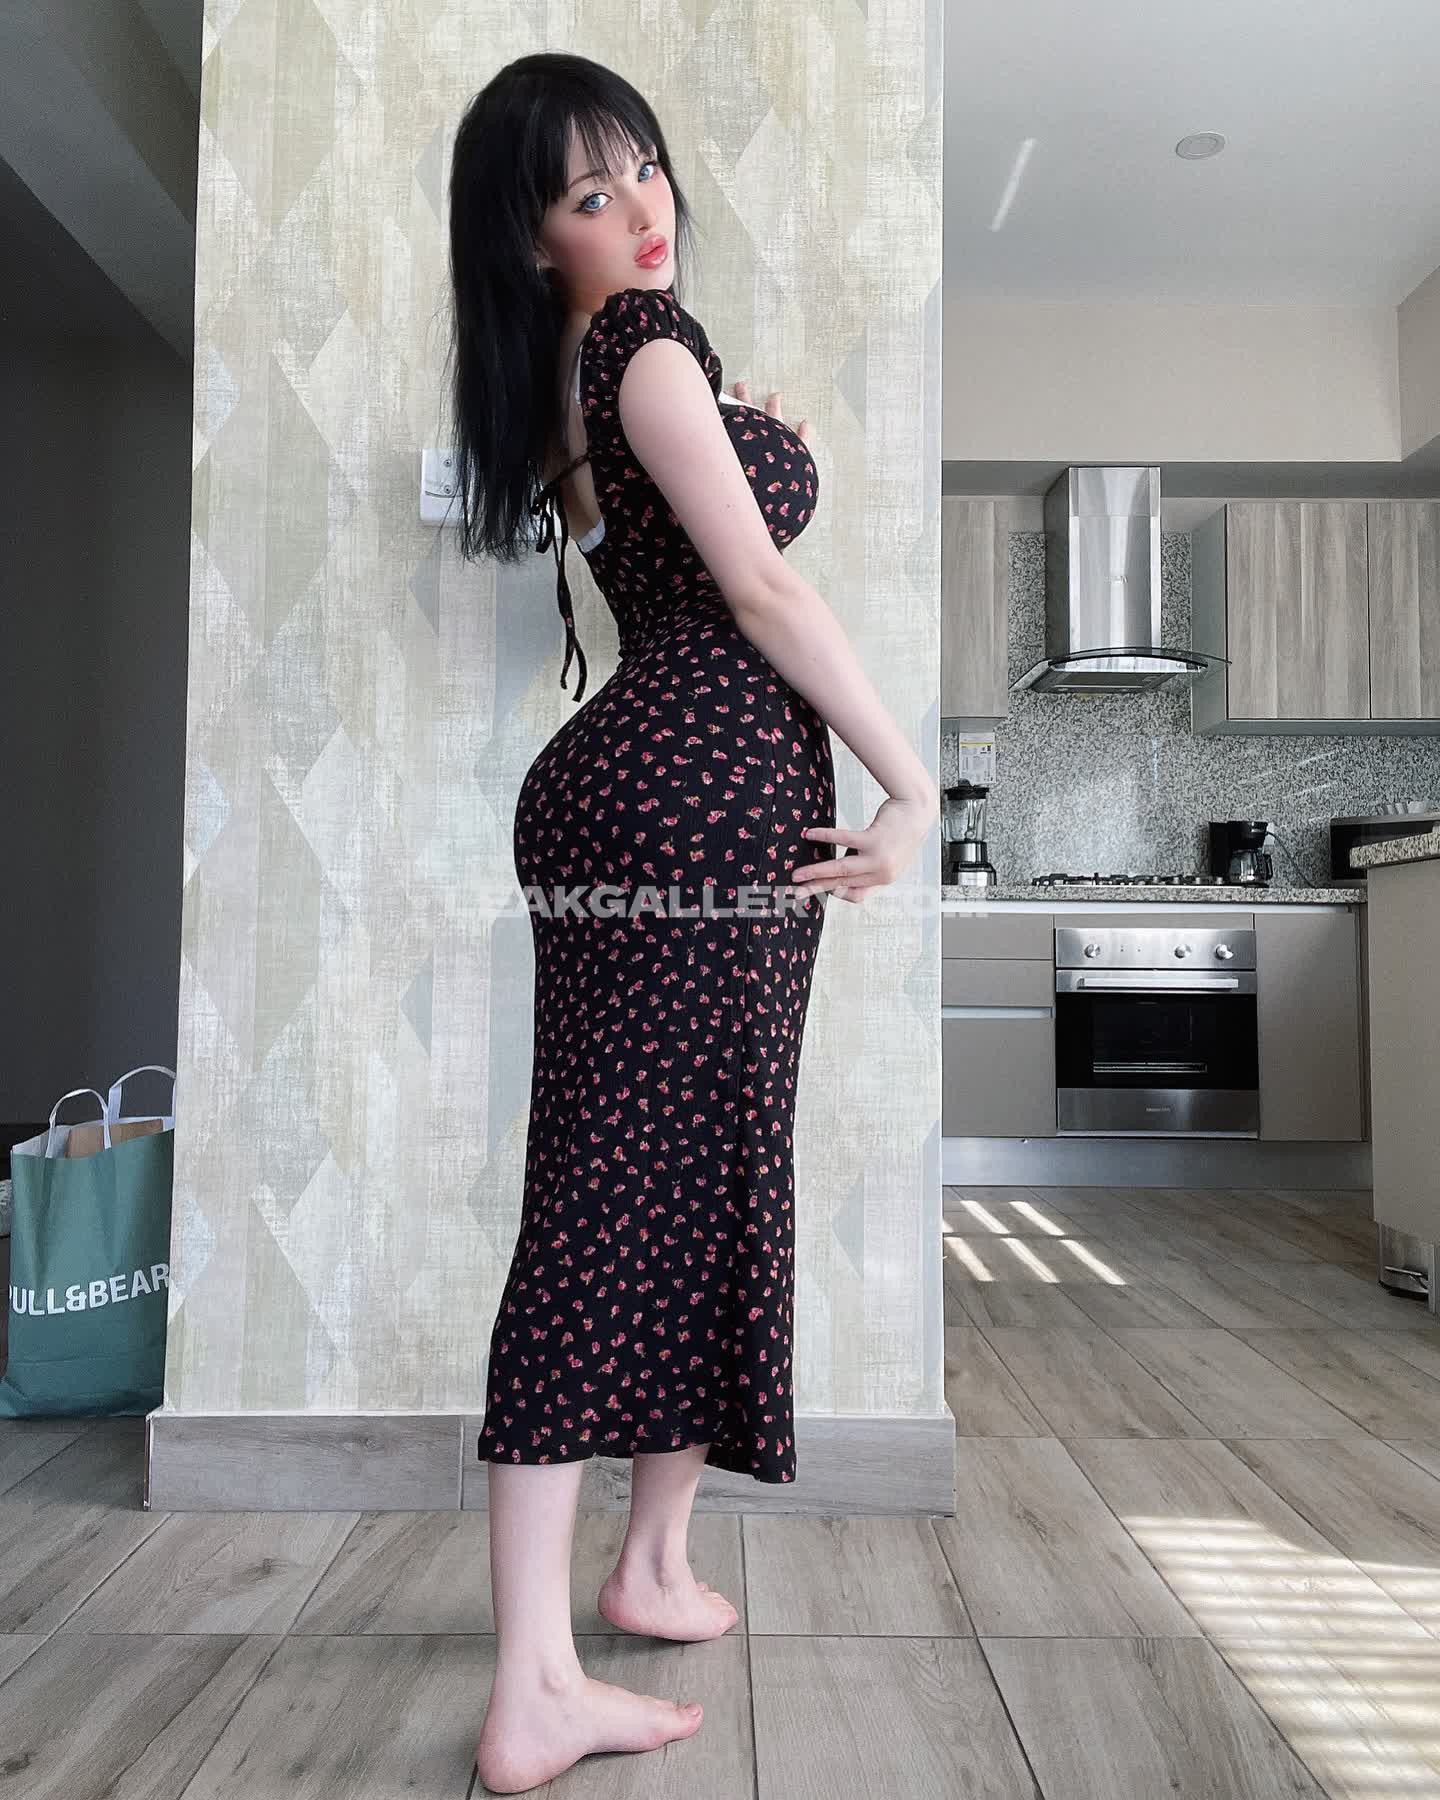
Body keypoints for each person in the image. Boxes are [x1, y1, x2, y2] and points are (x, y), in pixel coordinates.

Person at [445, 51, 938, 1796]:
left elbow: (664, 542)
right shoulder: (643, 349)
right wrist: (912, 785)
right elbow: (762, 589)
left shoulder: (587, 375)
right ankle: (532, 1687)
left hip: (656, 793)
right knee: (611, 1203)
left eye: (644, 167)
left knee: (693, 1171)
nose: (642, 208)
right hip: (693, 800)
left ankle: (649, 1566)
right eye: (589, 194)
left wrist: (738, 420)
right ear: (532, 239)